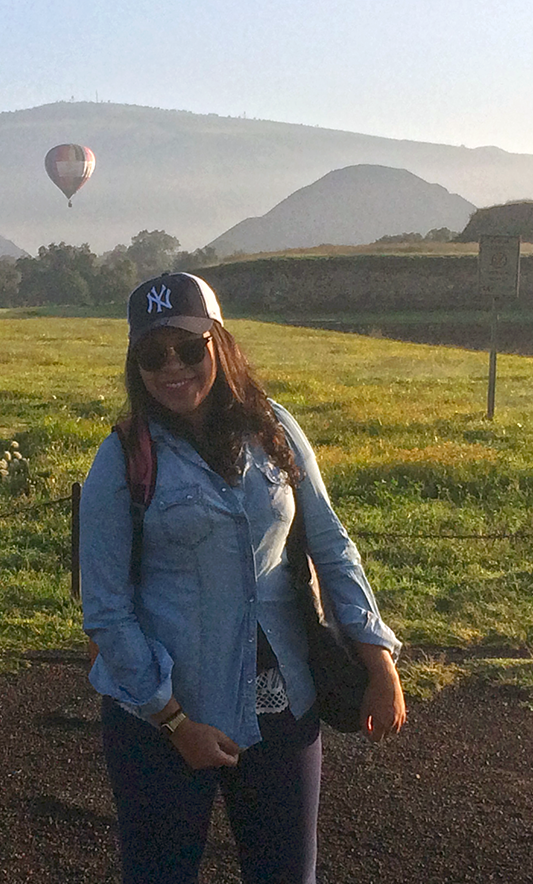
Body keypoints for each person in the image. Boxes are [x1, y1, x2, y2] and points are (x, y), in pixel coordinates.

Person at [79, 272, 406, 884]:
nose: (171, 366)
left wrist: (377, 660)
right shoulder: (124, 457)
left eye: (189, 347)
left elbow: (332, 547)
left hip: (283, 705)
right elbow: (105, 611)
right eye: (153, 354)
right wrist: (173, 721)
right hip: (164, 719)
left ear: (220, 344)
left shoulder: (273, 427)